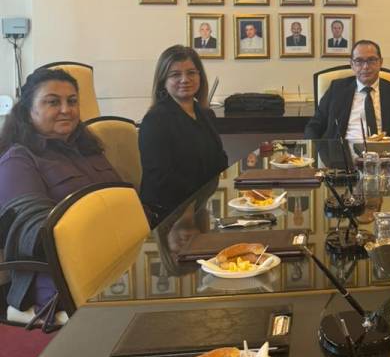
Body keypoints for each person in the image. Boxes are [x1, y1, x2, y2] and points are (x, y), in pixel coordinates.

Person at [0, 66, 123, 320]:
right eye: (53, 102)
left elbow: (125, 203)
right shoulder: (18, 160)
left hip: (116, 265)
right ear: (28, 110)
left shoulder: (89, 150)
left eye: (72, 101)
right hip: (61, 283)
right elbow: (36, 235)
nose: (66, 109)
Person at [138, 47, 228, 224]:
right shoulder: (154, 120)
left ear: (200, 76)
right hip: (169, 216)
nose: (185, 79)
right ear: (163, 81)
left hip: (200, 206)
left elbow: (220, 160)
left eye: (191, 73)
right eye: (175, 75)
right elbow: (161, 180)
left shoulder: (206, 114)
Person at [305, 39, 390, 141]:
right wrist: (319, 152)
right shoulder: (336, 89)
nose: (365, 67)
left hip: (385, 152)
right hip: (342, 152)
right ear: (352, 64)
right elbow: (313, 127)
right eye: (359, 61)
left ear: (380, 62)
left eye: (371, 60)